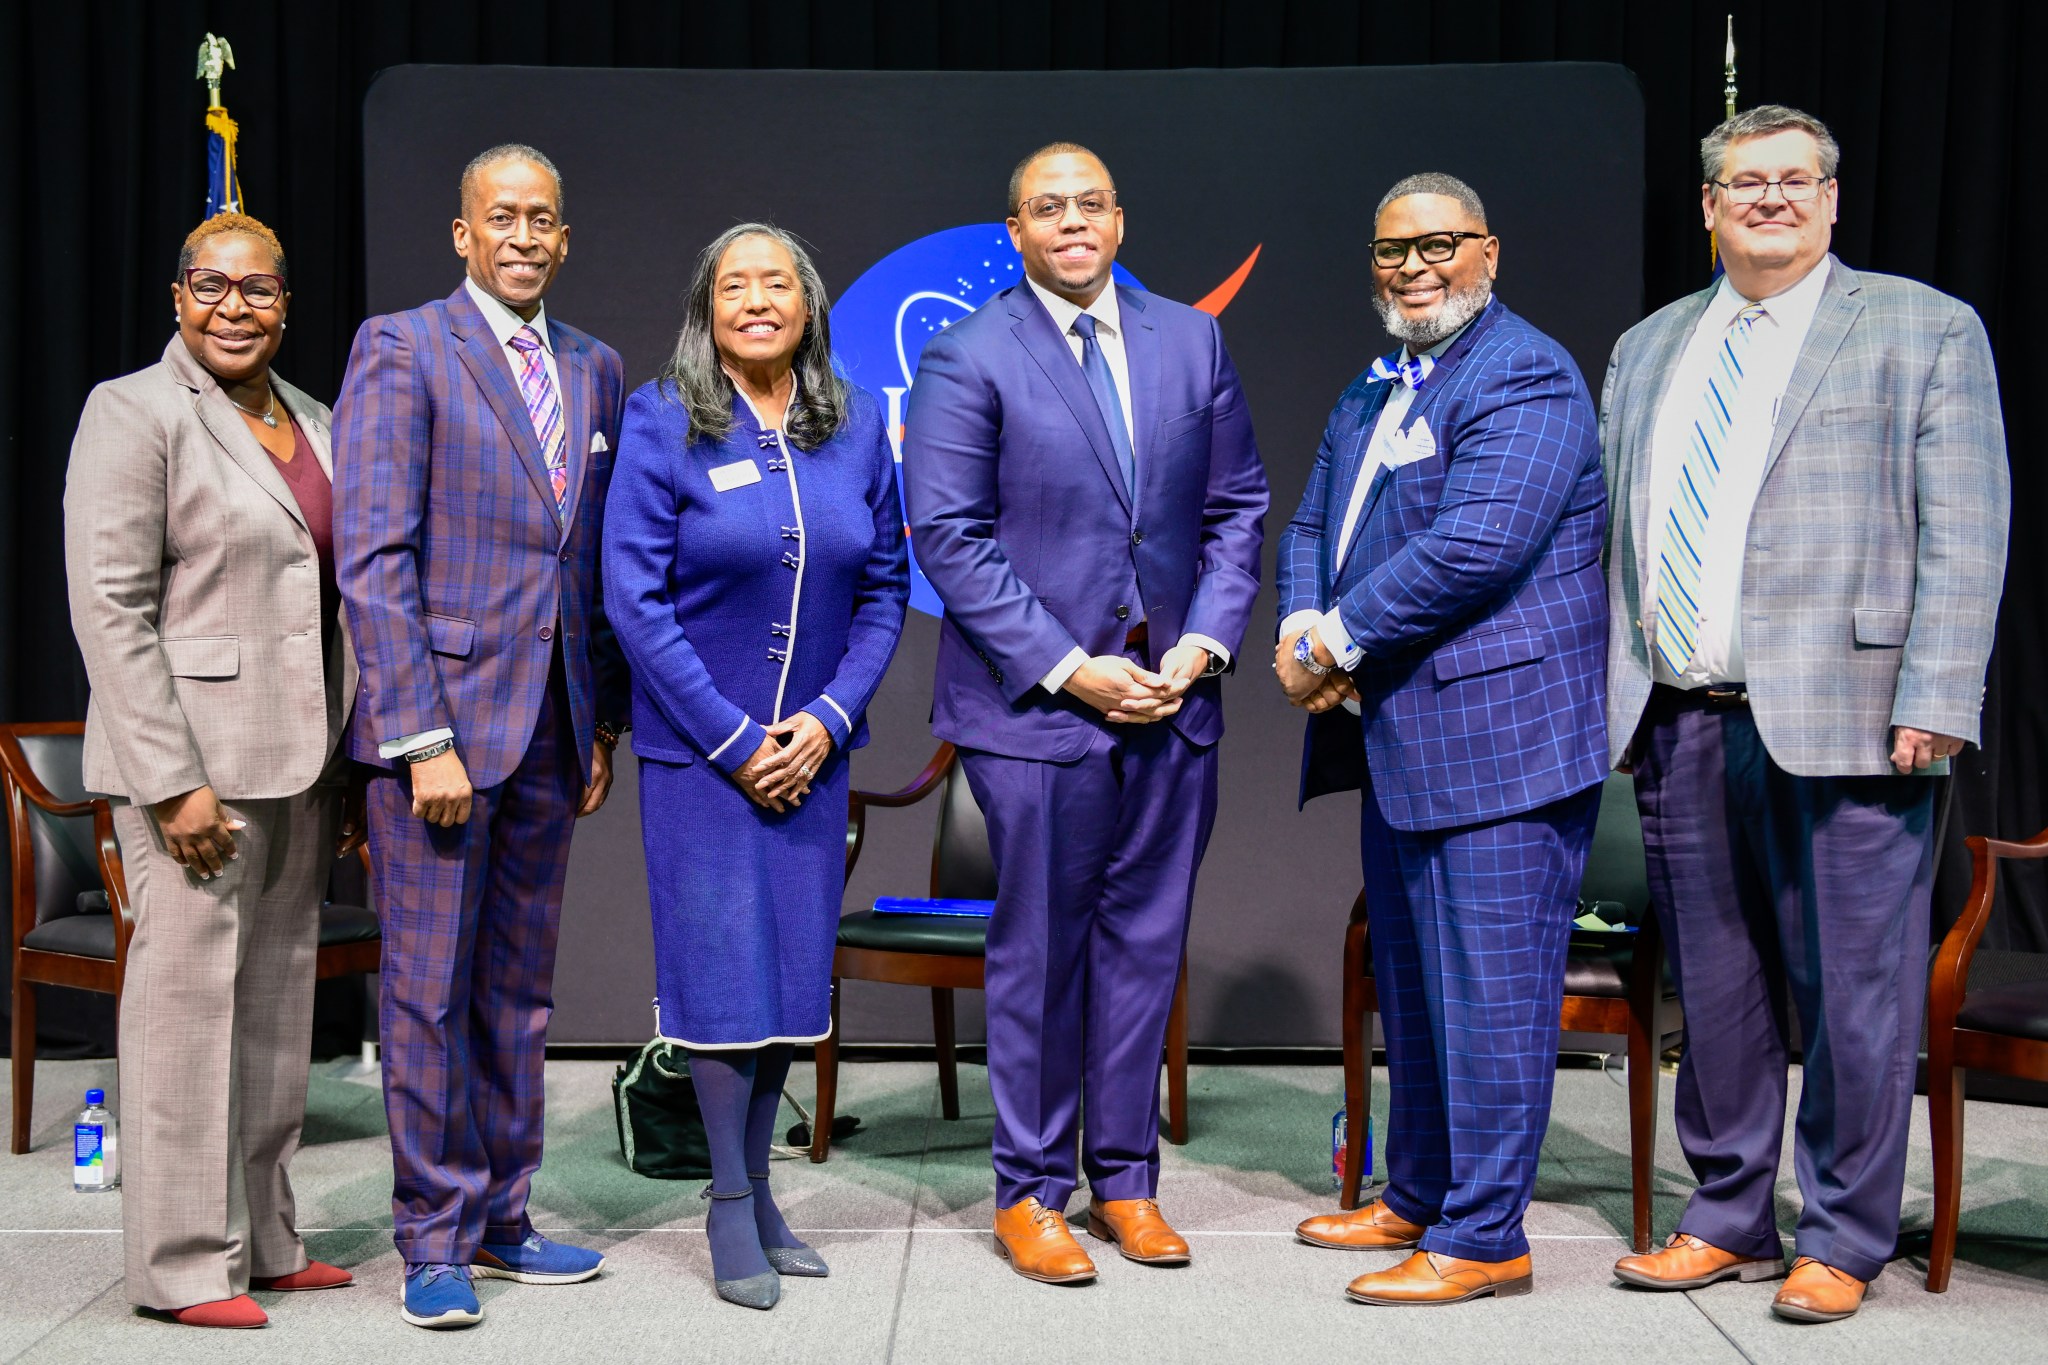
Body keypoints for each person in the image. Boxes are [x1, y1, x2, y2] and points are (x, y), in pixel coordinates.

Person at [1600, 106, 2009, 1322]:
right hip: (1680, 715)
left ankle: (1840, 1234)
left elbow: (1967, 529)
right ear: (1711, 206)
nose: (1767, 199)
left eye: (1792, 180)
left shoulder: (1921, 327)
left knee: (1854, 994)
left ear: (1829, 199)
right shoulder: (1648, 346)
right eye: (1742, 183)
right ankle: (1724, 1213)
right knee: (1716, 989)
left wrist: (1935, 694)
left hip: (1856, 717)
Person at [902, 142, 1268, 1284]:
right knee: (1039, 956)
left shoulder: (1190, 338)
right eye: (1046, 208)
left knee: (1142, 953)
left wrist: (1202, 645)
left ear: (1120, 217)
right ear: (1013, 230)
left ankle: (1125, 1183)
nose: (1071, 222)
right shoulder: (967, 354)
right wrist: (1069, 667)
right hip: (1037, 717)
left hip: (1172, 706)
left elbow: (1235, 507)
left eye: (1090, 204)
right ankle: (1028, 1192)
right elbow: (949, 537)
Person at [1275, 173, 1609, 1306]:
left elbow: (1475, 548)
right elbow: (1314, 518)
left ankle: (1480, 1240)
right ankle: (1413, 1194)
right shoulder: (1377, 384)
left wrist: (1332, 645)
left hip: (1499, 748)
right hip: (1401, 745)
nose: (1412, 267)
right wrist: (1294, 620)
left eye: (1437, 245)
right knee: (1414, 993)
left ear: (1488, 252)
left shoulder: (1521, 371)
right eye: (1389, 250)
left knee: (1489, 1000)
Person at [332, 144, 630, 1329]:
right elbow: (372, 556)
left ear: (564, 238)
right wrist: (416, 737)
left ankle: (505, 1217)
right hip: (440, 744)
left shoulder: (595, 367)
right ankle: (431, 1239)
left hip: (552, 736)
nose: (520, 236)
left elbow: (589, 566)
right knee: (424, 995)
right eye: (498, 217)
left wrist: (598, 720)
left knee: (519, 998)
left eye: (540, 219)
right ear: (461, 234)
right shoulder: (402, 347)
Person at [64, 213, 362, 1329]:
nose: (235, 306)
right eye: (212, 284)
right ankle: (185, 1265)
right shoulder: (133, 412)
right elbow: (111, 608)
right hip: (191, 772)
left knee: (277, 1014)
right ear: (177, 296)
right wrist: (170, 781)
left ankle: (268, 1240)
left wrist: (343, 763)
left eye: (260, 289)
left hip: (299, 764)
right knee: (187, 1015)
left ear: (288, 303)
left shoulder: (321, 422)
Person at [604, 223, 909, 1309]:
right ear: (707, 308)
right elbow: (632, 600)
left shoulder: (857, 424)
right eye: (735, 285)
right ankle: (728, 1202)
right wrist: (735, 742)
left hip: (814, 761)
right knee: (720, 976)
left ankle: (765, 1192)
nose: (757, 300)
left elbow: (883, 591)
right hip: (702, 762)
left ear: (809, 303)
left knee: (788, 978)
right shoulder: (660, 420)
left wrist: (826, 720)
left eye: (777, 282)